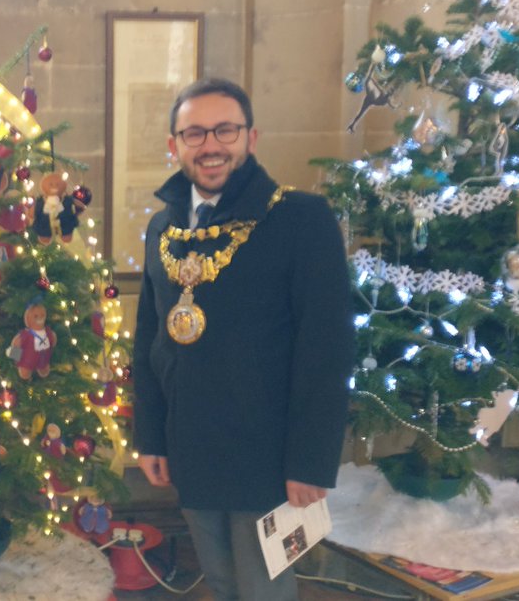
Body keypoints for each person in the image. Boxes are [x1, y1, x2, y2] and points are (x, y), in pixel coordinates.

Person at [132, 77, 354, 601]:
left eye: (224, 130)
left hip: (268, 455)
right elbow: (150, 339)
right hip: (192, 445)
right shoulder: (163, 228)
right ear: (174, 145)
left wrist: (310, 460)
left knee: (263, 588)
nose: (210, 145)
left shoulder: (301, 219)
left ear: (250, 137)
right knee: (222, 582)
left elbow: (326, 349)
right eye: (194, 133)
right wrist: (151, 436)